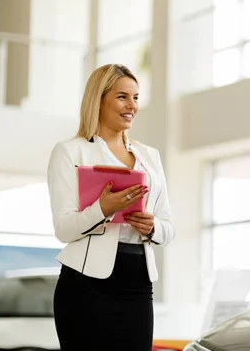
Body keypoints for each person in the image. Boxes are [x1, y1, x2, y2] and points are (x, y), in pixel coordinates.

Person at [47, 64, 175, 350]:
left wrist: (153, 226)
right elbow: (63, 228)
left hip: (138, 284)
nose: (132, 106)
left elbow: (169, 227)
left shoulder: (150, 157)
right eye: (122, 97)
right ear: (99, 100)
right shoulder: (70, 151)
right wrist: (102, 209)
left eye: (136, 97)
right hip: (85, 285)